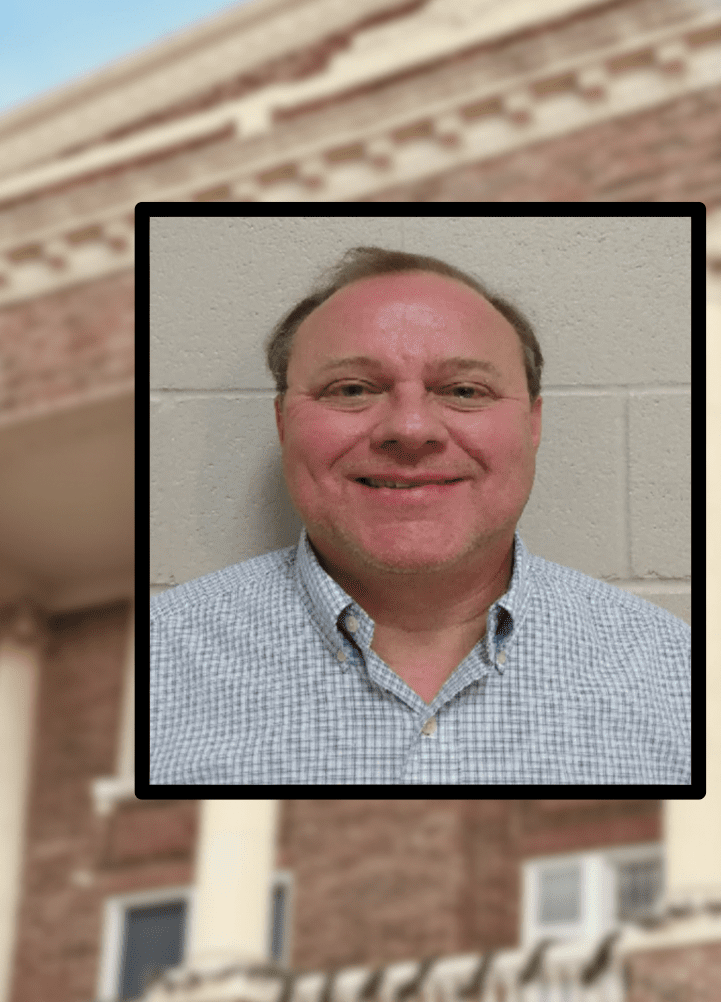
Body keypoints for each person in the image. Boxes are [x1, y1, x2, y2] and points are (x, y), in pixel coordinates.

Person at [146, 246, 692, 783]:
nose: (410, 431)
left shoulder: (676, 674)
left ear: (533, 424)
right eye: (353, 389)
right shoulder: (154, 666)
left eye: (463, 390)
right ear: (283, 424)